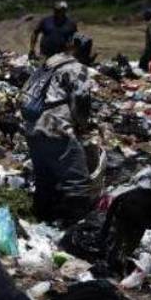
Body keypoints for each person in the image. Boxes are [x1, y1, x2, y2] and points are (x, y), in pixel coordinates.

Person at [20, 33, 96, 224]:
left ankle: (41, 221)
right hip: (56, 129)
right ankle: (74, 228)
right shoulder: (76, 68)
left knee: (45, 179)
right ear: (75, 48)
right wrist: (83, 125)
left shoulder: (45, 67)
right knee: (77, 182)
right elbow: (81, 99)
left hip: (33, 129)